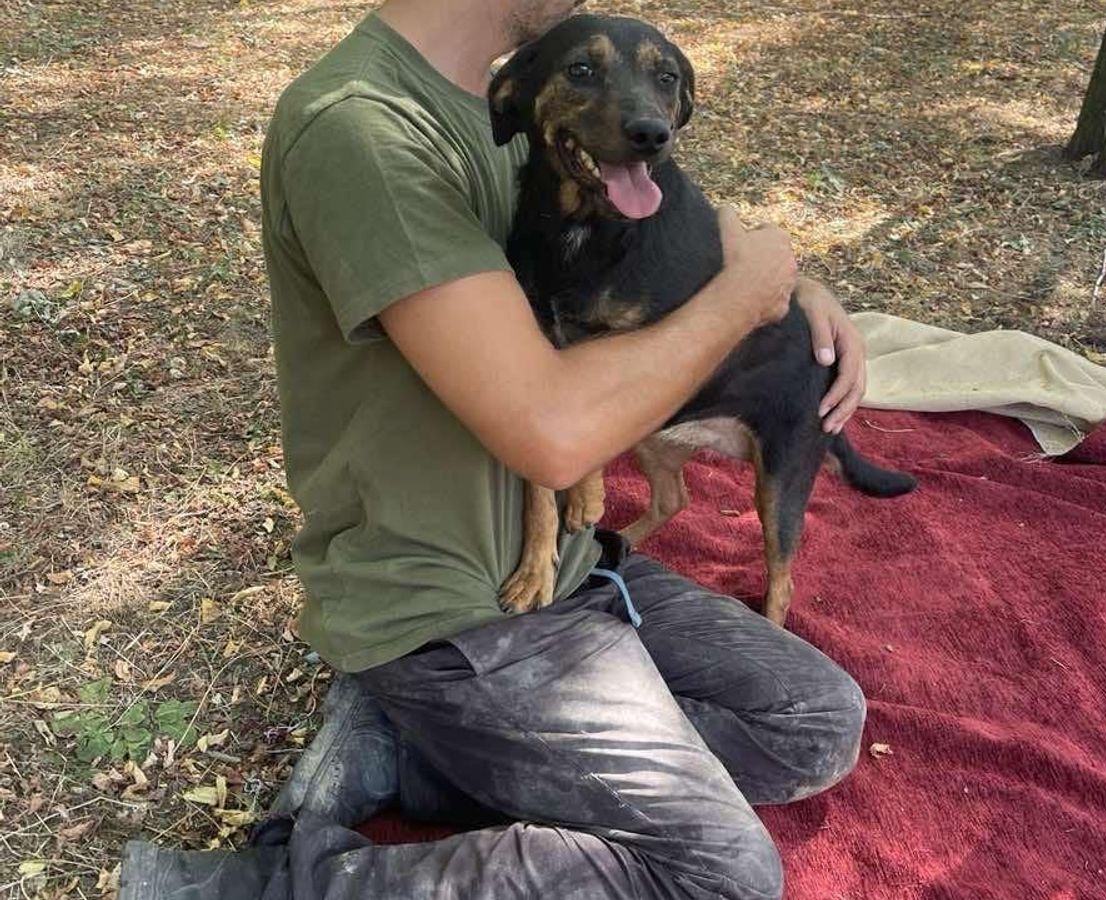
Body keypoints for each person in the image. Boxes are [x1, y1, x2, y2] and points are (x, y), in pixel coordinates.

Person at [119, 1, 868, 898]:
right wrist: (742, 300)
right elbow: (552, 436)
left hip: (566, 562)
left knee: (817, 720)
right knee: (721, 874)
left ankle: (421, 757)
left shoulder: (529, 106)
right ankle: (244, 889)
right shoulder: (362, 131)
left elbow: (669, 223)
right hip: (447, 606)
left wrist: (794, 288)